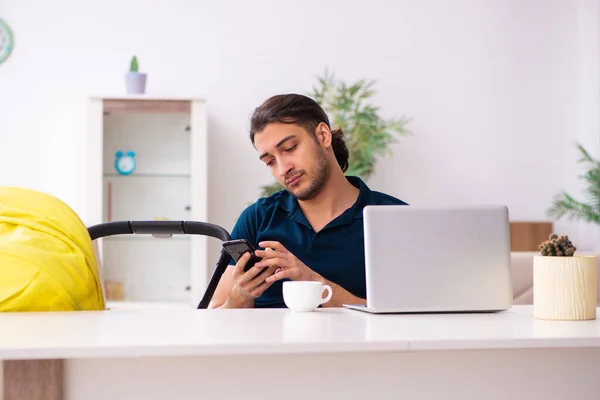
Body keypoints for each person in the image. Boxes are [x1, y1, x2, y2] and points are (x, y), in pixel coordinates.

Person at [210, 93, 408, 309]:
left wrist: (313, 282)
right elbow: (215, 317)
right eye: (270, 161)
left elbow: (408, 318)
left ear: (323, 135)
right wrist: (242, 294)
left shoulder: (394, 218)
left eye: (290, 148)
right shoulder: (257, 218)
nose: (283, 168)